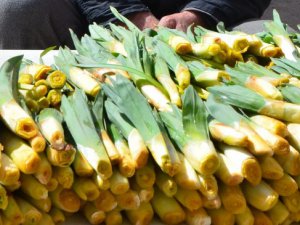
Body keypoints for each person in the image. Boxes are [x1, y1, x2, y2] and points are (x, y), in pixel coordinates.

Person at [0, 0, 271, 49]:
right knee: (19, 10)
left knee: (268, 36)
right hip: (95, 12)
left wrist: (197, 15)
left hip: (201, 22)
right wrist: (133, 16)